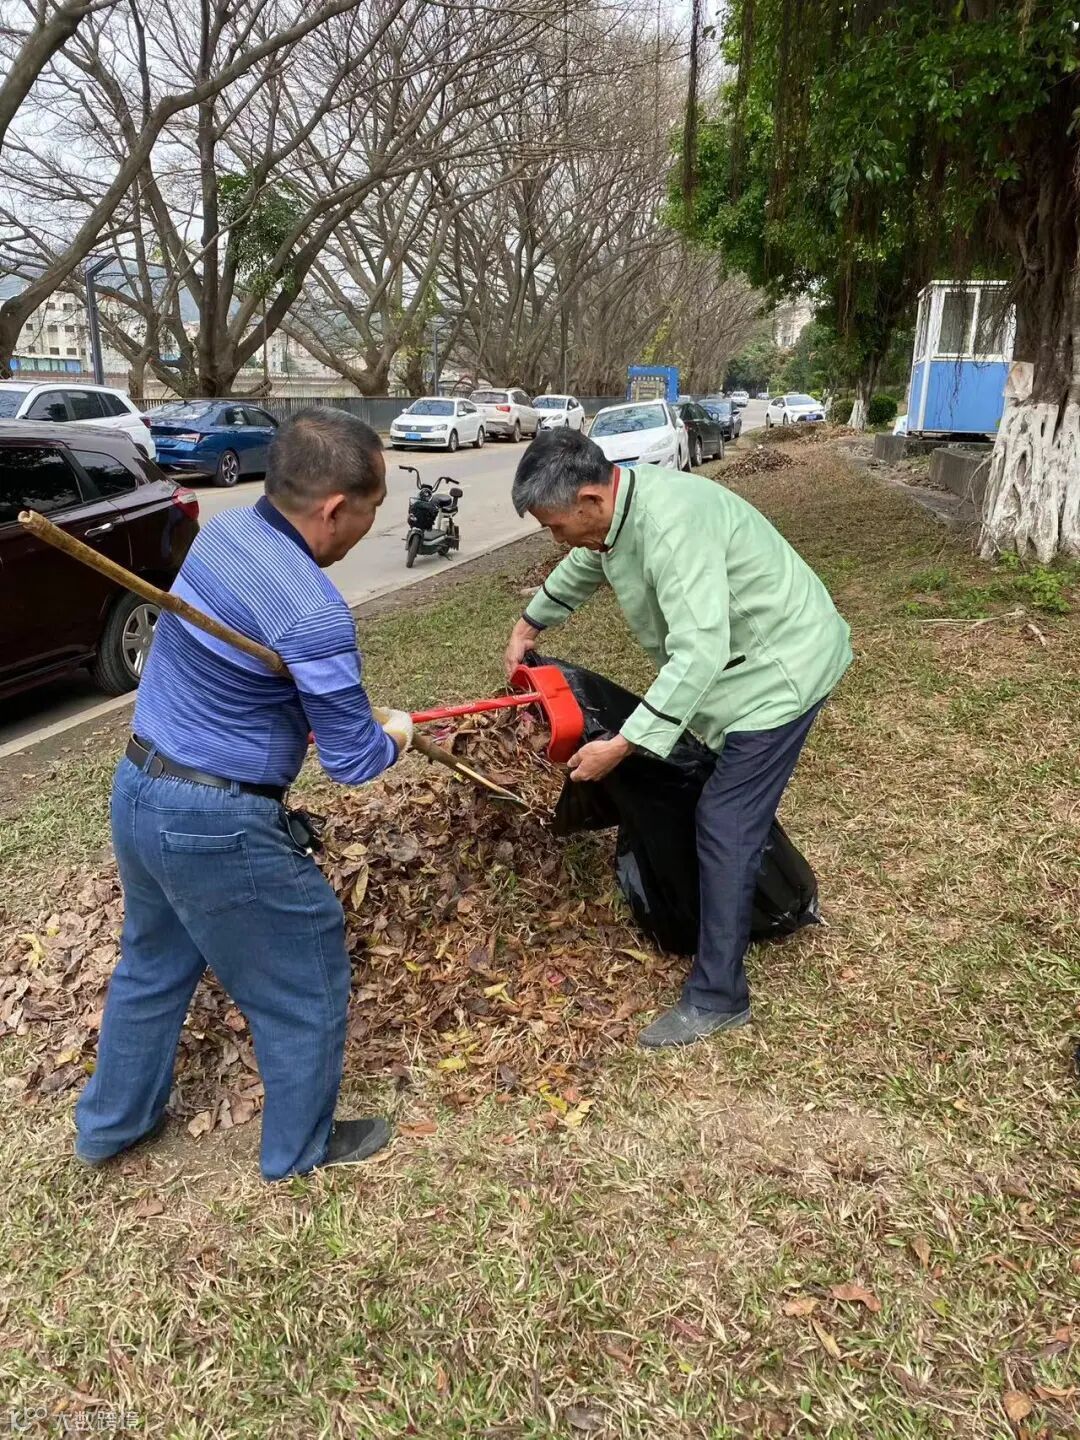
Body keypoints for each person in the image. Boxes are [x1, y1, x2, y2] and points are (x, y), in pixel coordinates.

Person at [75, 408, 414, 1179]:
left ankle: (109, 1127)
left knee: (152, 965)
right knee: (304, 975)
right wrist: (396, 733)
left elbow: (250, 676)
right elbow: (353, 760)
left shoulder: (224, 534)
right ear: (334, 508)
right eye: (372, 508)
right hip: (214, 824)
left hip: (140, 789)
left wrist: (316, 710)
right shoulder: (312, 610)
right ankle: (300, 1150)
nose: (369, 525)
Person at [504, 427, 851, 1049]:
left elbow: (698, 655)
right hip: (743, 669)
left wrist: (623, 744)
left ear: (589, 498)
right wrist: (530, 623)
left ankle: (719, 997)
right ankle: (778, 893)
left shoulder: (671, 527)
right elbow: (588, 561)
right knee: (727, 802)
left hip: (781, 671)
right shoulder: (620, 511)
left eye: (555, 525)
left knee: (725, 818)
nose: (557, 538)